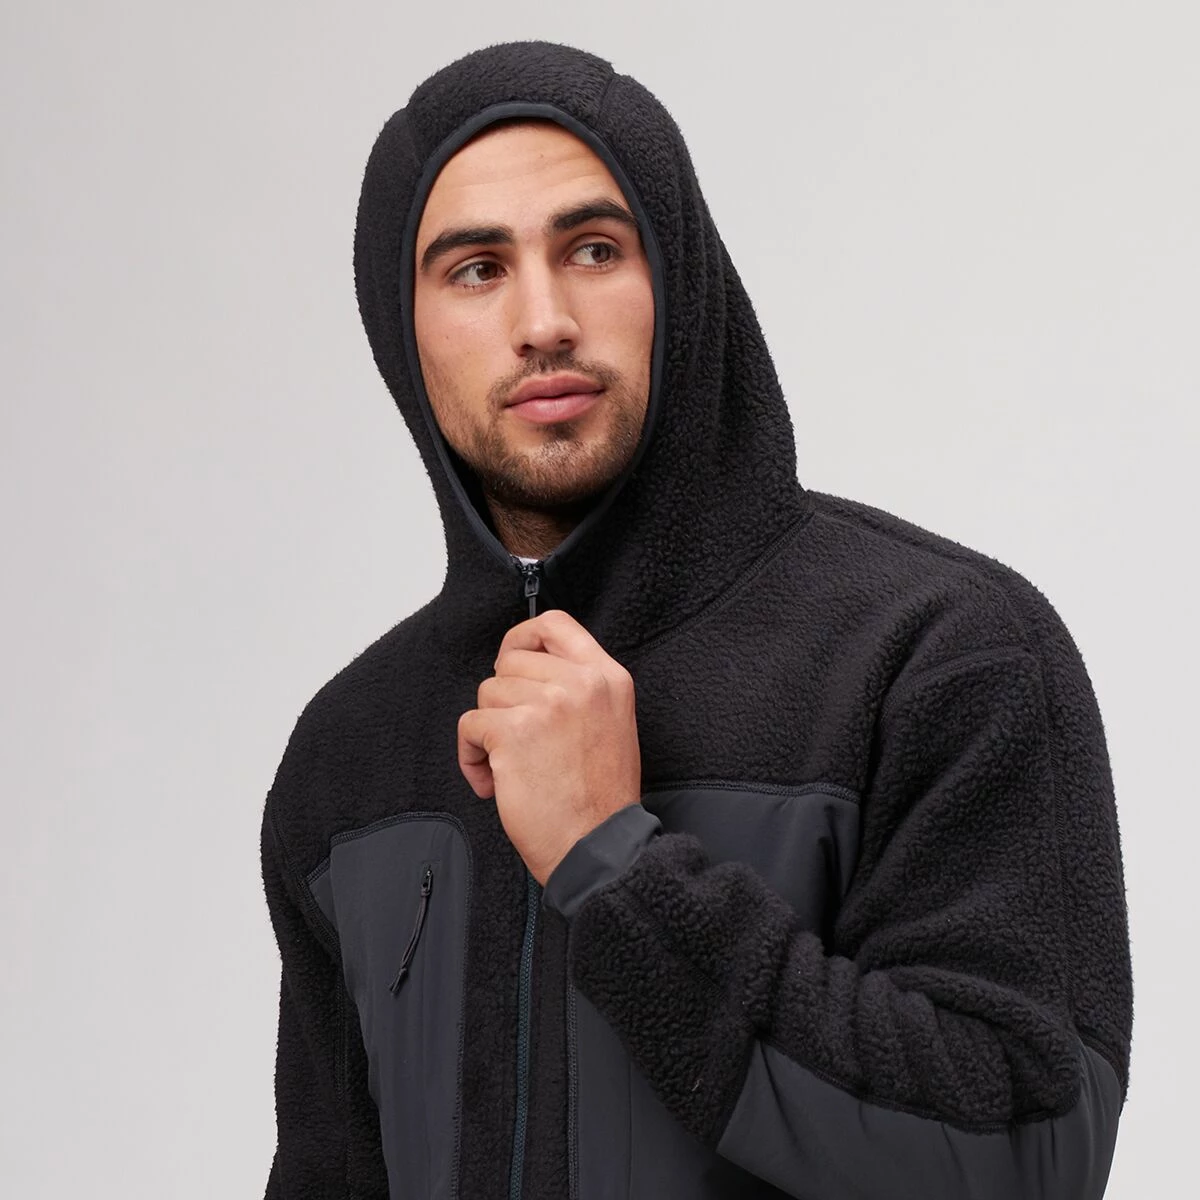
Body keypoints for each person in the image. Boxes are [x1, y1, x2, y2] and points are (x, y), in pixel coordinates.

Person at [260, 40, 1132, 1200]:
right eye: (475, 269)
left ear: (679, 278)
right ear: (399, 324)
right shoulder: (348, 755)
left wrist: (612, 864)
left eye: (594, 249)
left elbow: (1028, 1157)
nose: (544, 319)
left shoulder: (935, 655)